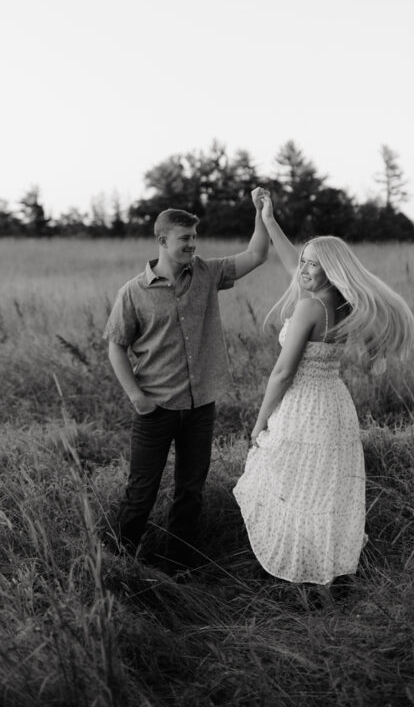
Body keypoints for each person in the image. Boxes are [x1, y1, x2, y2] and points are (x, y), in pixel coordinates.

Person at [233, 191, 414, 585]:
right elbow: (295, 266)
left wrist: (260, 421)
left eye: (313, 265)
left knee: (295, 491)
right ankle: (330, 575)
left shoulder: (309, 307)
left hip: (304, 408)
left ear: (329, 270)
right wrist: (269, 219)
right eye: (304, 261)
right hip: (333, 405)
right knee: (324, 494)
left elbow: (282, 373)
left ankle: (303, 575)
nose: (303, 269)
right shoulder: (341, 301)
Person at [102, 192, 269, 574]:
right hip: (155, 409)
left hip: (199, 408)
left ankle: (178, 567)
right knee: (141, 492)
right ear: (162, 241)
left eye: (195, 238)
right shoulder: (133, 293)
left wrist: (260, 213)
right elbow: (116, 347)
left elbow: (257, 255)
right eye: (185, 239)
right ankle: (120, 564)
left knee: (190, 492)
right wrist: (136, 397)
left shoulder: (207, 273)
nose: (193, 245)